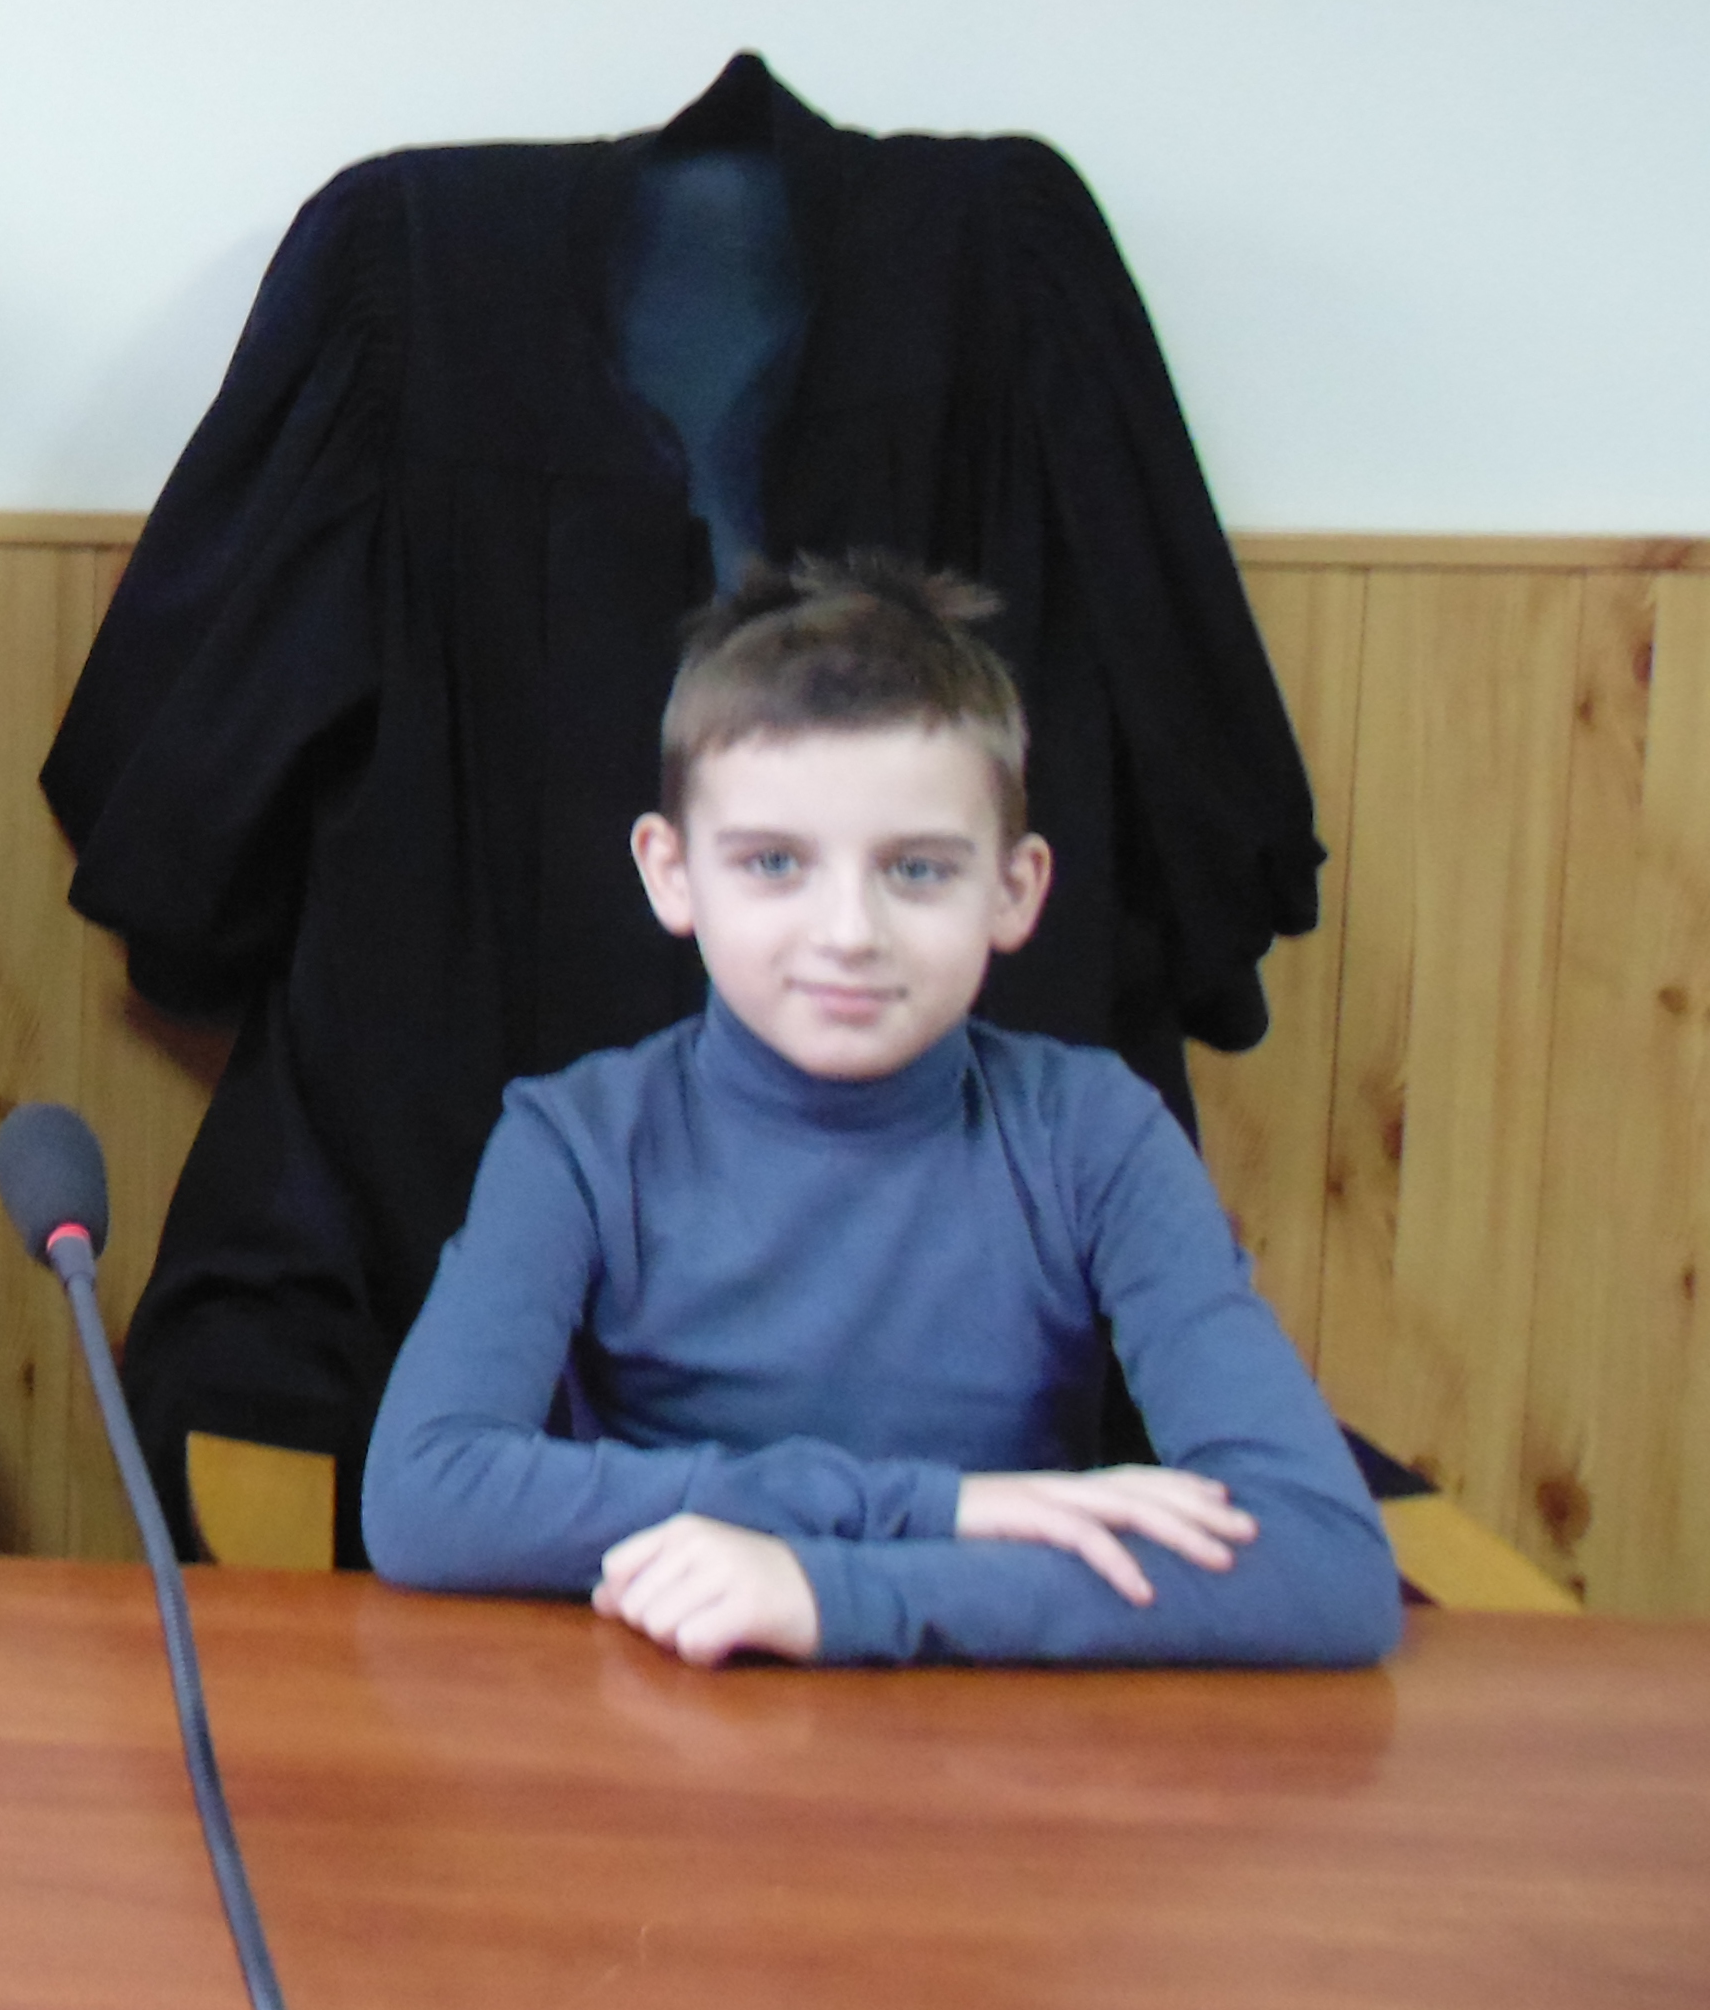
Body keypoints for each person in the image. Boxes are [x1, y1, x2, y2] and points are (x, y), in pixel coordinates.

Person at [361, 554, 1398, 1667]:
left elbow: (1324, 1567)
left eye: (918, 871)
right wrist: (935, 1510)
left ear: (1015, 889)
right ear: (672, 874)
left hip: (985, 1724)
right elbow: (426, 1498)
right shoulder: (575, 1141)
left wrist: (833, 1590)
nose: (849, 932)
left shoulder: (1094, 1133)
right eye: (774, 863)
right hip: (663, 1706)